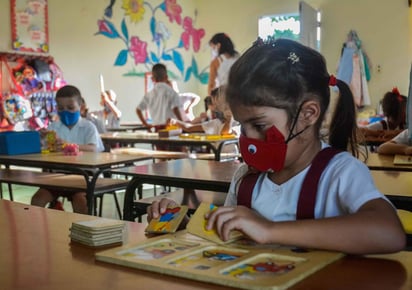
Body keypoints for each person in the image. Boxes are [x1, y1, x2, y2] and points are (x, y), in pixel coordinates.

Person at [148, 38, 405, 255]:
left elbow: (389, 233)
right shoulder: (246, 178)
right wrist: (183, 223)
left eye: (259, 125)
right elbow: (226, 233)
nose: (247, 139)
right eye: (242, 125)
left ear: (308, 114)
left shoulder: (340, 172)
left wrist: (270, 230)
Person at [31, 85, 105, 214]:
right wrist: (43, 139)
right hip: (58, 175)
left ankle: (82, 231)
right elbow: (45, 150)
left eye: (70, 108)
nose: (65, 112)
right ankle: (41, 230)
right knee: (37, 200)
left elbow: (94, 149)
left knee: (81, 202)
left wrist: (69, 145)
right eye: (60, 108)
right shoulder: (54, 127)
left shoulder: (88, 127)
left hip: (83, 176)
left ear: (81, 107)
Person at [136, 63, 183, 129]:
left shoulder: (149, 94)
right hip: (171, 128)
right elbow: (175, 109)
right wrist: (182, 123)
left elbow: (138, 110)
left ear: (152, 79)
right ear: (166, 77)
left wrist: (145, 124)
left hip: (156, 129)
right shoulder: (171, 92)